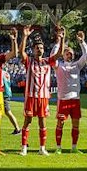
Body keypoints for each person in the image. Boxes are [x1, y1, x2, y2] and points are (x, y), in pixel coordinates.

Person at [15, 25, 59, 155]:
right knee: (27, 121)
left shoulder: (48, 61)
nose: (39, 50)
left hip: (43, 97)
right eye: (37, 48)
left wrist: (61, 39)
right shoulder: (29, 61)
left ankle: (42, 148)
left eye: (41, 48)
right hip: (31, 96)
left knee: (42, 121)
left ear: (43, 50)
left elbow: (59, 54)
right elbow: (20, 53)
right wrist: (25, 36)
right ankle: (24, 148)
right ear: (33, 50)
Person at [51, 28, 87, 152]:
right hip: (63, 100)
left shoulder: (77, 65)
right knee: (60, 124)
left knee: (76, 124)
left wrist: (82, 42)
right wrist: (59, 41)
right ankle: (58, 147)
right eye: (67, 53)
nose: (70, 54)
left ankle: (74, 148)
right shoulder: (58, 66)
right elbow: (52, 57)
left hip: (75, 100)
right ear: (63, 55)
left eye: (71, 53)